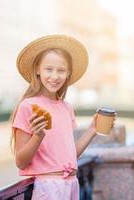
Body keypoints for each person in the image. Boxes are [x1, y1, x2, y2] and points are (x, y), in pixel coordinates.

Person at [10, 35, 115, 200]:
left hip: (72, 183)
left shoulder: (66, 107)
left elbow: (69, 156)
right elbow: (20, 162)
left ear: (68, 73)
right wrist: (38, 136)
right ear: (37, 69)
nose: (55, 76)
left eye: (61, 70)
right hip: (48, 188)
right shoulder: (28, 106)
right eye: (49, 69)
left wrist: (92, 130)